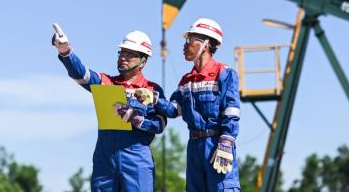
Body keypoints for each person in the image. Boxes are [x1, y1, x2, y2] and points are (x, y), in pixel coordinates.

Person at [52, 25, 166, 192]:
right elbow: (82, 75)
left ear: (143, 61)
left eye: (129, 54)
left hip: (136, 159)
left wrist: (137, 119)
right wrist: (65, 52)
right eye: (121, 53)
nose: (123, 58)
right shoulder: (107, 83)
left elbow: (160, 124)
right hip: (105, 159)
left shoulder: (152, 90)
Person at [150, 17, 241, 192]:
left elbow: (231, 110)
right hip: (194, 147)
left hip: (217, 144)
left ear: (206, 44)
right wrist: (153, 99)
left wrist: (227, 141)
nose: (185, 45)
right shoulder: (186, 81)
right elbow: (174, 110)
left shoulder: (224, 73)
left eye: (190, 40)